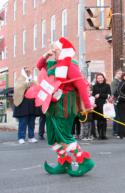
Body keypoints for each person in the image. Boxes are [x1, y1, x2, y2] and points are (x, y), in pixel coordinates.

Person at [31, 37, 94, 176]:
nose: (54, 52)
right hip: (51, 104)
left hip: (65, 104)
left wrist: (87, 105)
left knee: (64, 136)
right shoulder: (52, 64)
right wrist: (46, 55)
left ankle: (84, 161)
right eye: (53, 50)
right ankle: (64, 162)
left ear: (64, 50)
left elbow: (81, 85)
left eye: (56, 49)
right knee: (53, 136)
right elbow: (39, 66)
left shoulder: (71, 65)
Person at [13, 67, 38, 144]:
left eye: (29, 71)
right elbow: (17, 88)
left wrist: (32, 83)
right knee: (23, 122)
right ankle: (21, 137)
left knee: (32, 122)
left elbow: (37, 86)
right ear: (23, 71)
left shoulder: (32, 79)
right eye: (26, 71)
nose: (28, 72)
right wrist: (27, 84)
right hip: (23, 104)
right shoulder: (20, 79)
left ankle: (31, 137)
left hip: (32, 104)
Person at [92, 73, 111, 140]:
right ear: (97, 79)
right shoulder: (94, 86)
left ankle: (104, 135)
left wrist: (100, 95)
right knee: (99, 120)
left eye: (101, 78)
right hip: (97, 105)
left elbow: (108, 95)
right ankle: (100, 134)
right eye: (98, 78)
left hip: (104, 105)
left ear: (103, 78)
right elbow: (93, 95)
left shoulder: (107, 86)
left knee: (104, 120)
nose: (100, 79)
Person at [115, 72, 125, 139]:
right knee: (122, 119)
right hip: (121, 103)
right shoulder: (122, 82)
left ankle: (123, 133)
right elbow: (118, 91)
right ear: (123, 77)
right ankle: (122, 134)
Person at [111, 69, 122, 136]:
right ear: (116, 74)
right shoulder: (114, 82)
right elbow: (113, 92)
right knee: (116, 116)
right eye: (119, 73)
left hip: (119, 100)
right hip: (116, 100)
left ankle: (117, 130)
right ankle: (115, 131)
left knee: (118, 116)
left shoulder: (119, 81)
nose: (120, 75)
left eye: (121, 73)